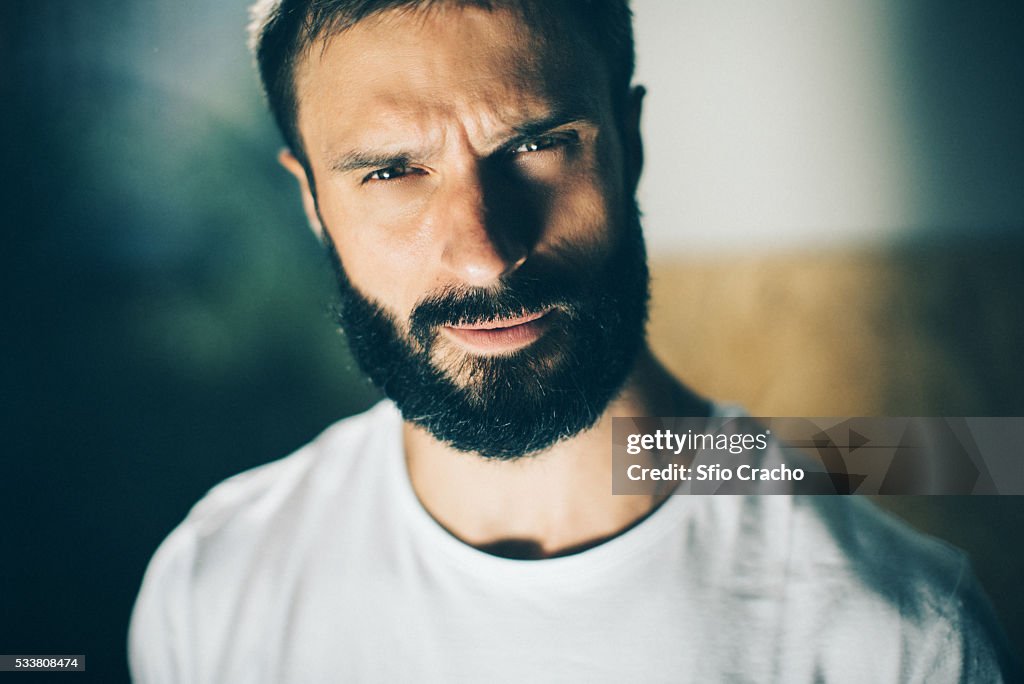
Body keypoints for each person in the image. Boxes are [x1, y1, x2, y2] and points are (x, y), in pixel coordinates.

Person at [129, 1, 1019, 681]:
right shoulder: (214, 586)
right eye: (392, 171)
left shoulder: (897, 633)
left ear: (627, 142)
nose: (484, 256)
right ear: (312, 201)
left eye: (537, 144)